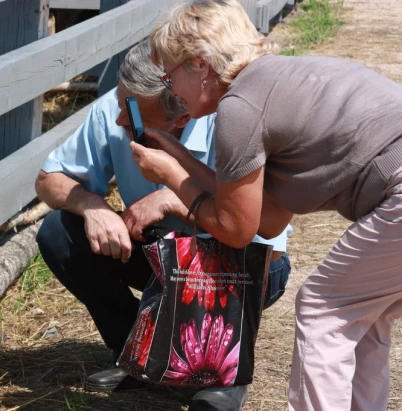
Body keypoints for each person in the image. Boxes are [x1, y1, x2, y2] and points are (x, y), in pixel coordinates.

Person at [129, 1, 402, 410]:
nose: (173, 92)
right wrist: (181, 160)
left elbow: (236, 230)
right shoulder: (276, 82)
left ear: (200, 65)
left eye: (170, 77)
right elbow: (267, 220)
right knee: (363, 316)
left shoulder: (240, 108)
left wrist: (171, 177)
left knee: (322, 310)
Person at [35, 41, 292, 411]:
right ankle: (137, 355)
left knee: (239, 257)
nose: (122, 119)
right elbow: (48, 178)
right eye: (122, 102)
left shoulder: (236, 122)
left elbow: (269, 245)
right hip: (163, 259)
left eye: (135, 114)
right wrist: (94, 207)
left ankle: (223, 371)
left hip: (236, 266)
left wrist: (175, 199)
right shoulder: (120, 106)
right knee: (60, 232)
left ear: (182, 116)